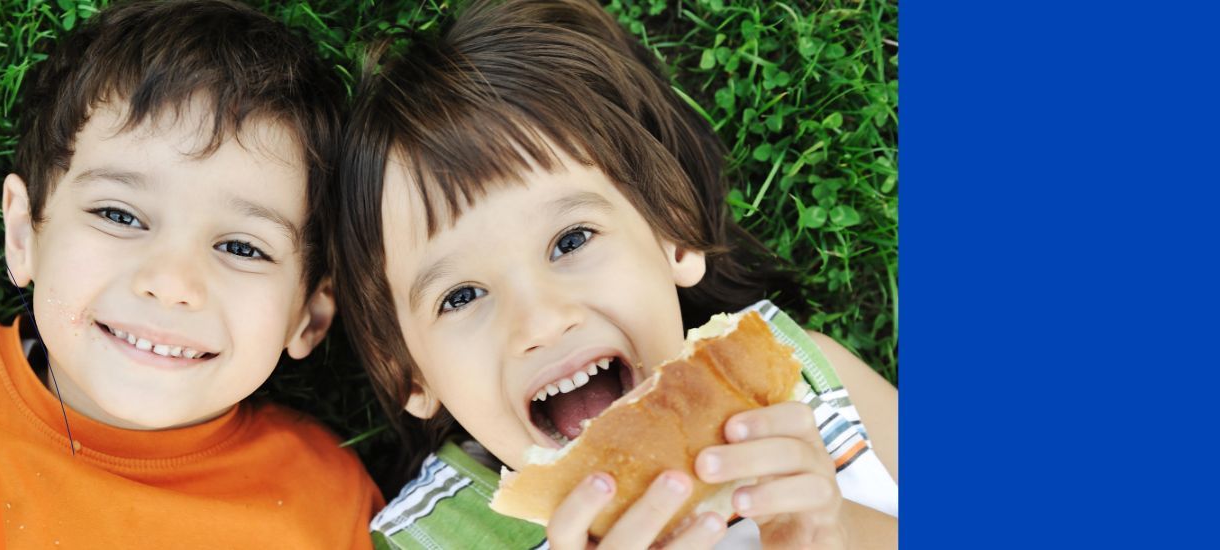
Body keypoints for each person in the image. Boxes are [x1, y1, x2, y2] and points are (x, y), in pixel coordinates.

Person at [327, 0, 898, 547]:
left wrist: (834, 535)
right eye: (461, 295)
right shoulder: (428, 538)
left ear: (671, 233)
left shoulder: (809, 384)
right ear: (408, 374)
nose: (542, 321)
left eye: (570, 240)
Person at [0, 1, 381, 546]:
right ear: (23, 235)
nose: (172, 283)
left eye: (243, 248)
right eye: (119, 215)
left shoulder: (327, 504)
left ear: (310, 316)